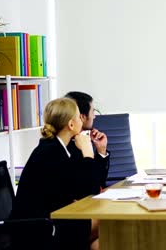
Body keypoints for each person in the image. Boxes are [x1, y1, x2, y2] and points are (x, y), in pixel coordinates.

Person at [11, 98, 107, 250]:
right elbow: (89, 190)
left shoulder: (59, 147)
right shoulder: (51, 152)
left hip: (51, 222)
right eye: (78, 117)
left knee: (98, 243)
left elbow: (84, 183)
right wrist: (87, 152)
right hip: (42, 229)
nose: (82, 120)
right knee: (107, 222)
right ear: (71, 124)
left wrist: (99, 151)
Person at [65, 91, 109, 189]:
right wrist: (87, 149)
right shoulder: (67, 145)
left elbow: (100, 182)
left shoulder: (81, 139)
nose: (94, 116)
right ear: (82, 117)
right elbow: (93, 187)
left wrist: (101, 150)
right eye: (93, 111)